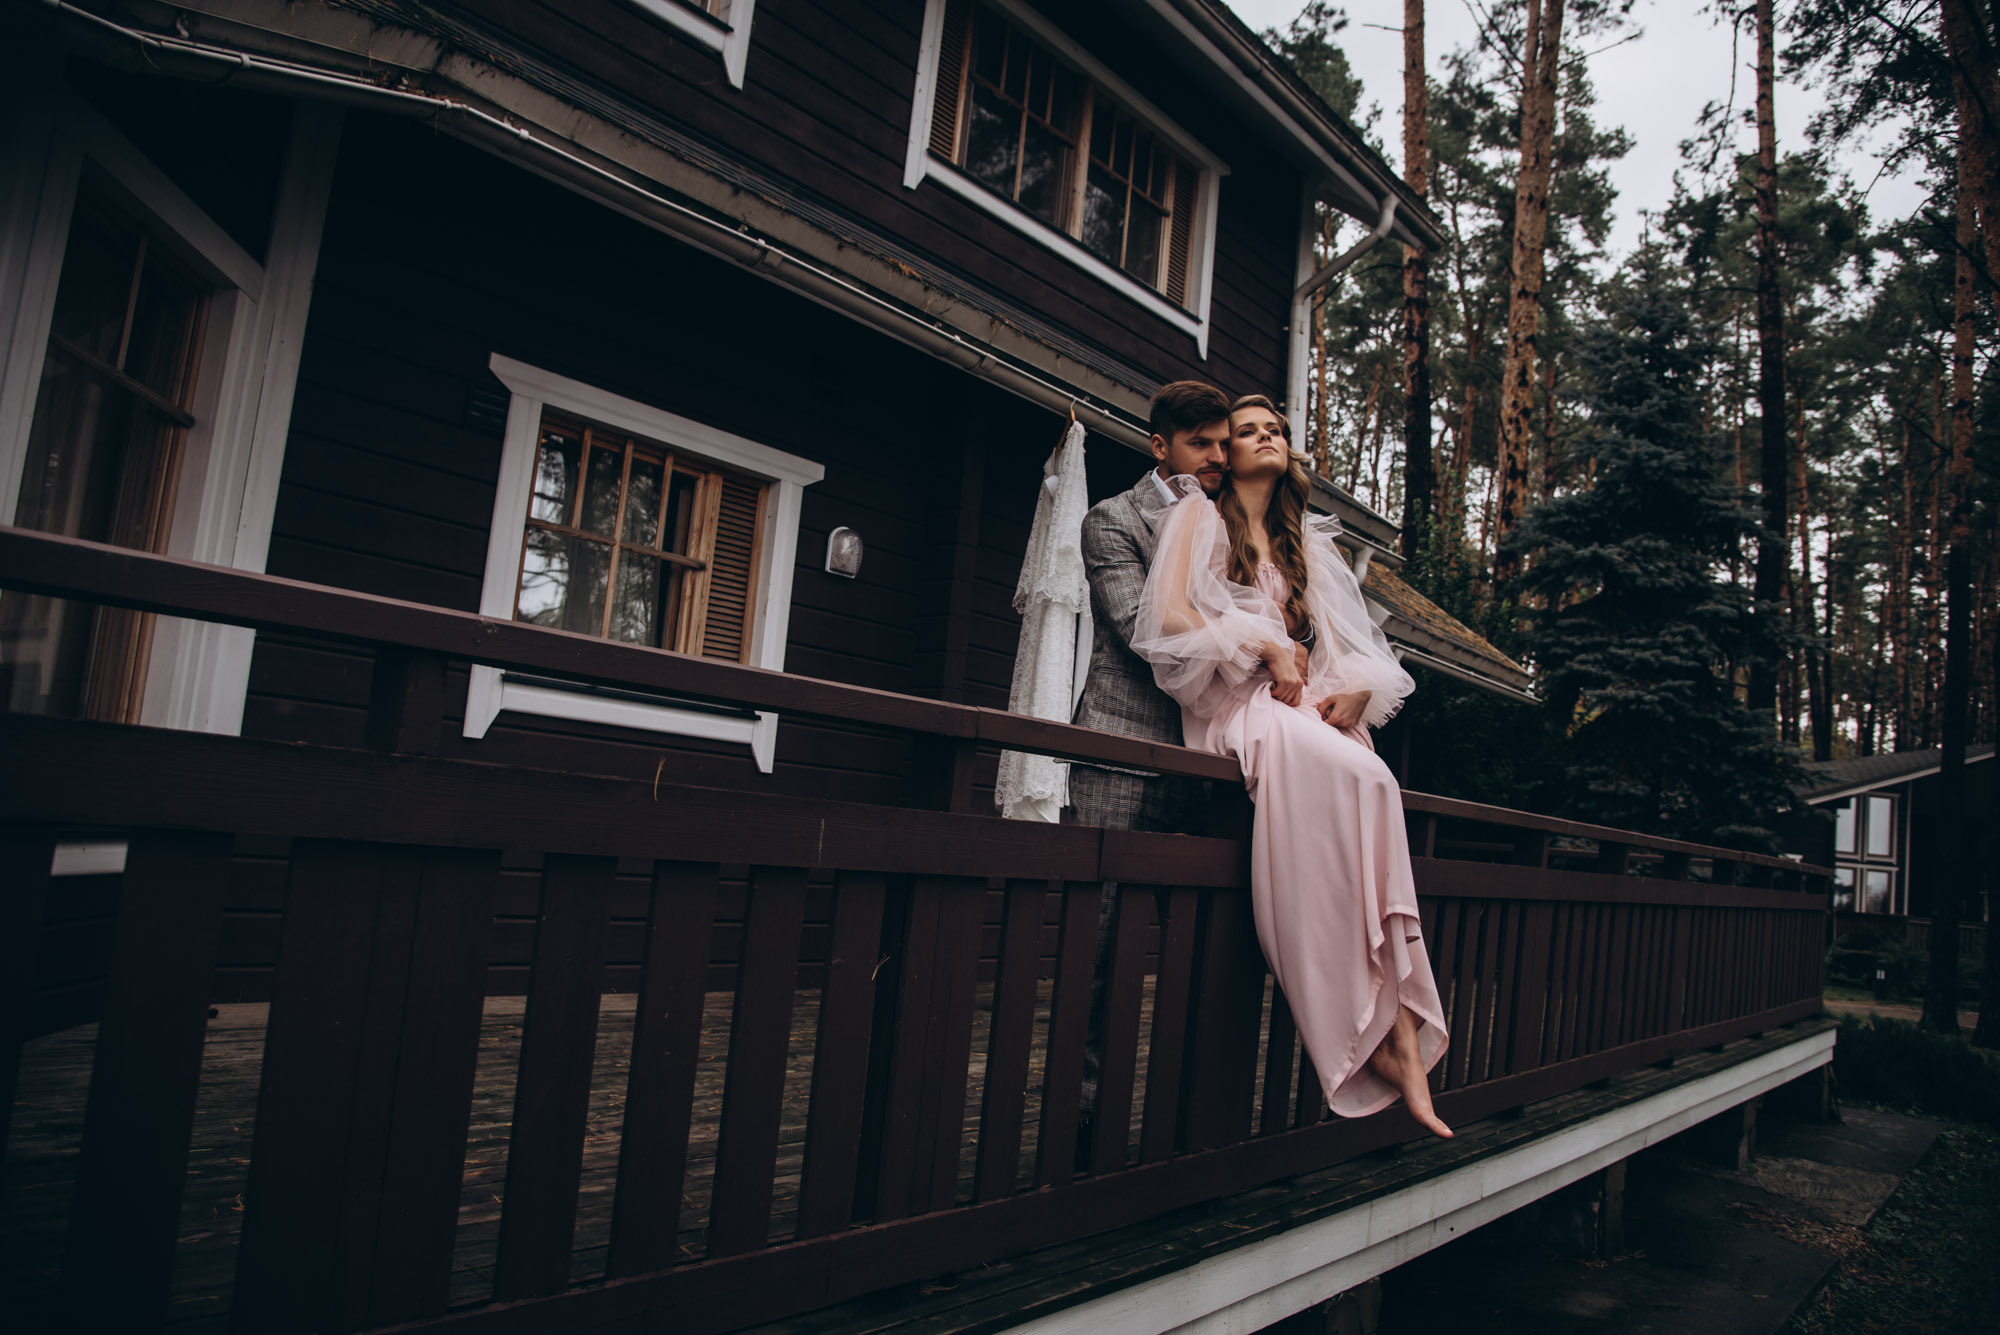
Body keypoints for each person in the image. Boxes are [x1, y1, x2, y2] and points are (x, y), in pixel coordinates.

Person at [1131, 394, 1452, 1138]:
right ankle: (1371, 1031)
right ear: (1226, 454)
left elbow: (1358, 648)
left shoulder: (1305, 540)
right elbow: (1171, 617)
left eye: (1276, 428)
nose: (1266, 437)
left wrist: (1360, 689)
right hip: (1236, 709)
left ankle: (1397, 1025)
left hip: (1299, 710)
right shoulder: (1197, 518)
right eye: (1248, 432)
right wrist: (1260, 641)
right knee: (1368, 779)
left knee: (1374, 779)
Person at [1065, 380, 1238, 1156]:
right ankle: (1083, 1117)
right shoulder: (1112, 519)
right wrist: (1253, 643)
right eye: (1202, 443)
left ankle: (1185, 1122)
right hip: (1121, 749)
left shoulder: (1235, 524)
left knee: (1203, 944)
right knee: (1097, 946)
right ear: (1161, 445)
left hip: (1206, 761)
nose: (1218, 456)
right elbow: (1144, 629)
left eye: (1224, 443)